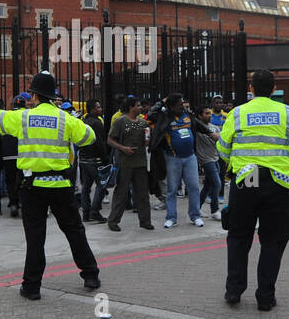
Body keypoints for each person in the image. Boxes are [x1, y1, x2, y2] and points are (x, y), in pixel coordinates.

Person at [0, 70, 100, 299]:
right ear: (53, 96)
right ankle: (90, 275)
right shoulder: (65, 119)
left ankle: (31, 288)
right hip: (61, 185)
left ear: (35, 95)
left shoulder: (22, 117)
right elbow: (89, 137)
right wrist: (74, 122)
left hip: (33, 186)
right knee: (74, 232)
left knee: (35, 238)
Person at [217, 69, 289, 310]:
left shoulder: (237, 113)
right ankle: (265, 297)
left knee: (238, 236)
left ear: (251, 88)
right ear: (274, 88)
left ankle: (234, 291)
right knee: (273, 240)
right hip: (278, 182)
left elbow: (223, 149)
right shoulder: (288, 113)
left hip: (247, 179)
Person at [106, 95, 154, 231]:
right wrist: (123, 148)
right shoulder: (120, 121)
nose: (140, 108)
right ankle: (113, 221)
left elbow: (147, 140)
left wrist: (147, 141)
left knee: (143, 193)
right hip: (124, 162)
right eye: (138, 105)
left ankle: (145, 220)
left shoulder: (143, 123)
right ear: (131, 107)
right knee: (121, 192)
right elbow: (110, 140)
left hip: (140, 162)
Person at [159, 93, 205, 228]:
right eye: (180, 103)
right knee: (172, 189)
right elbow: (151, 114)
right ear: (172, 106)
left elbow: (199, 125)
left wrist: (210, 132)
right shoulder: (165, 117)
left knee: (194, 187)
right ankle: (171, 218)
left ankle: (195, 215)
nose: (183, 105)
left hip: (190, 157)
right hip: (173, 158)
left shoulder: (188, 115)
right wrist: (162, 102)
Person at [76, 99, 109, 223]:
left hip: (84, 159)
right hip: (95, 160)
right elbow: (100, 143)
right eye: (98, 107)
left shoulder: (83, 122)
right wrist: (105, 159)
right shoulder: (97, 123)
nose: (100, 109)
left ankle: (86, 212)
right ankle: (94, 211)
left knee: (86, 187)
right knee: (101, 185)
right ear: (92, 110)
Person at [194, 105, 223, 220]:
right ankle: (215, 210)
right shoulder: (196, 129)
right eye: (206, 113)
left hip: (215, 157)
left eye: (210, 113)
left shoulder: (215, 128)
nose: (209, 115)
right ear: (200, 116)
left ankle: (197, 208)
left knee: (208, 186)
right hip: (206, 160)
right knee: (217, 184)